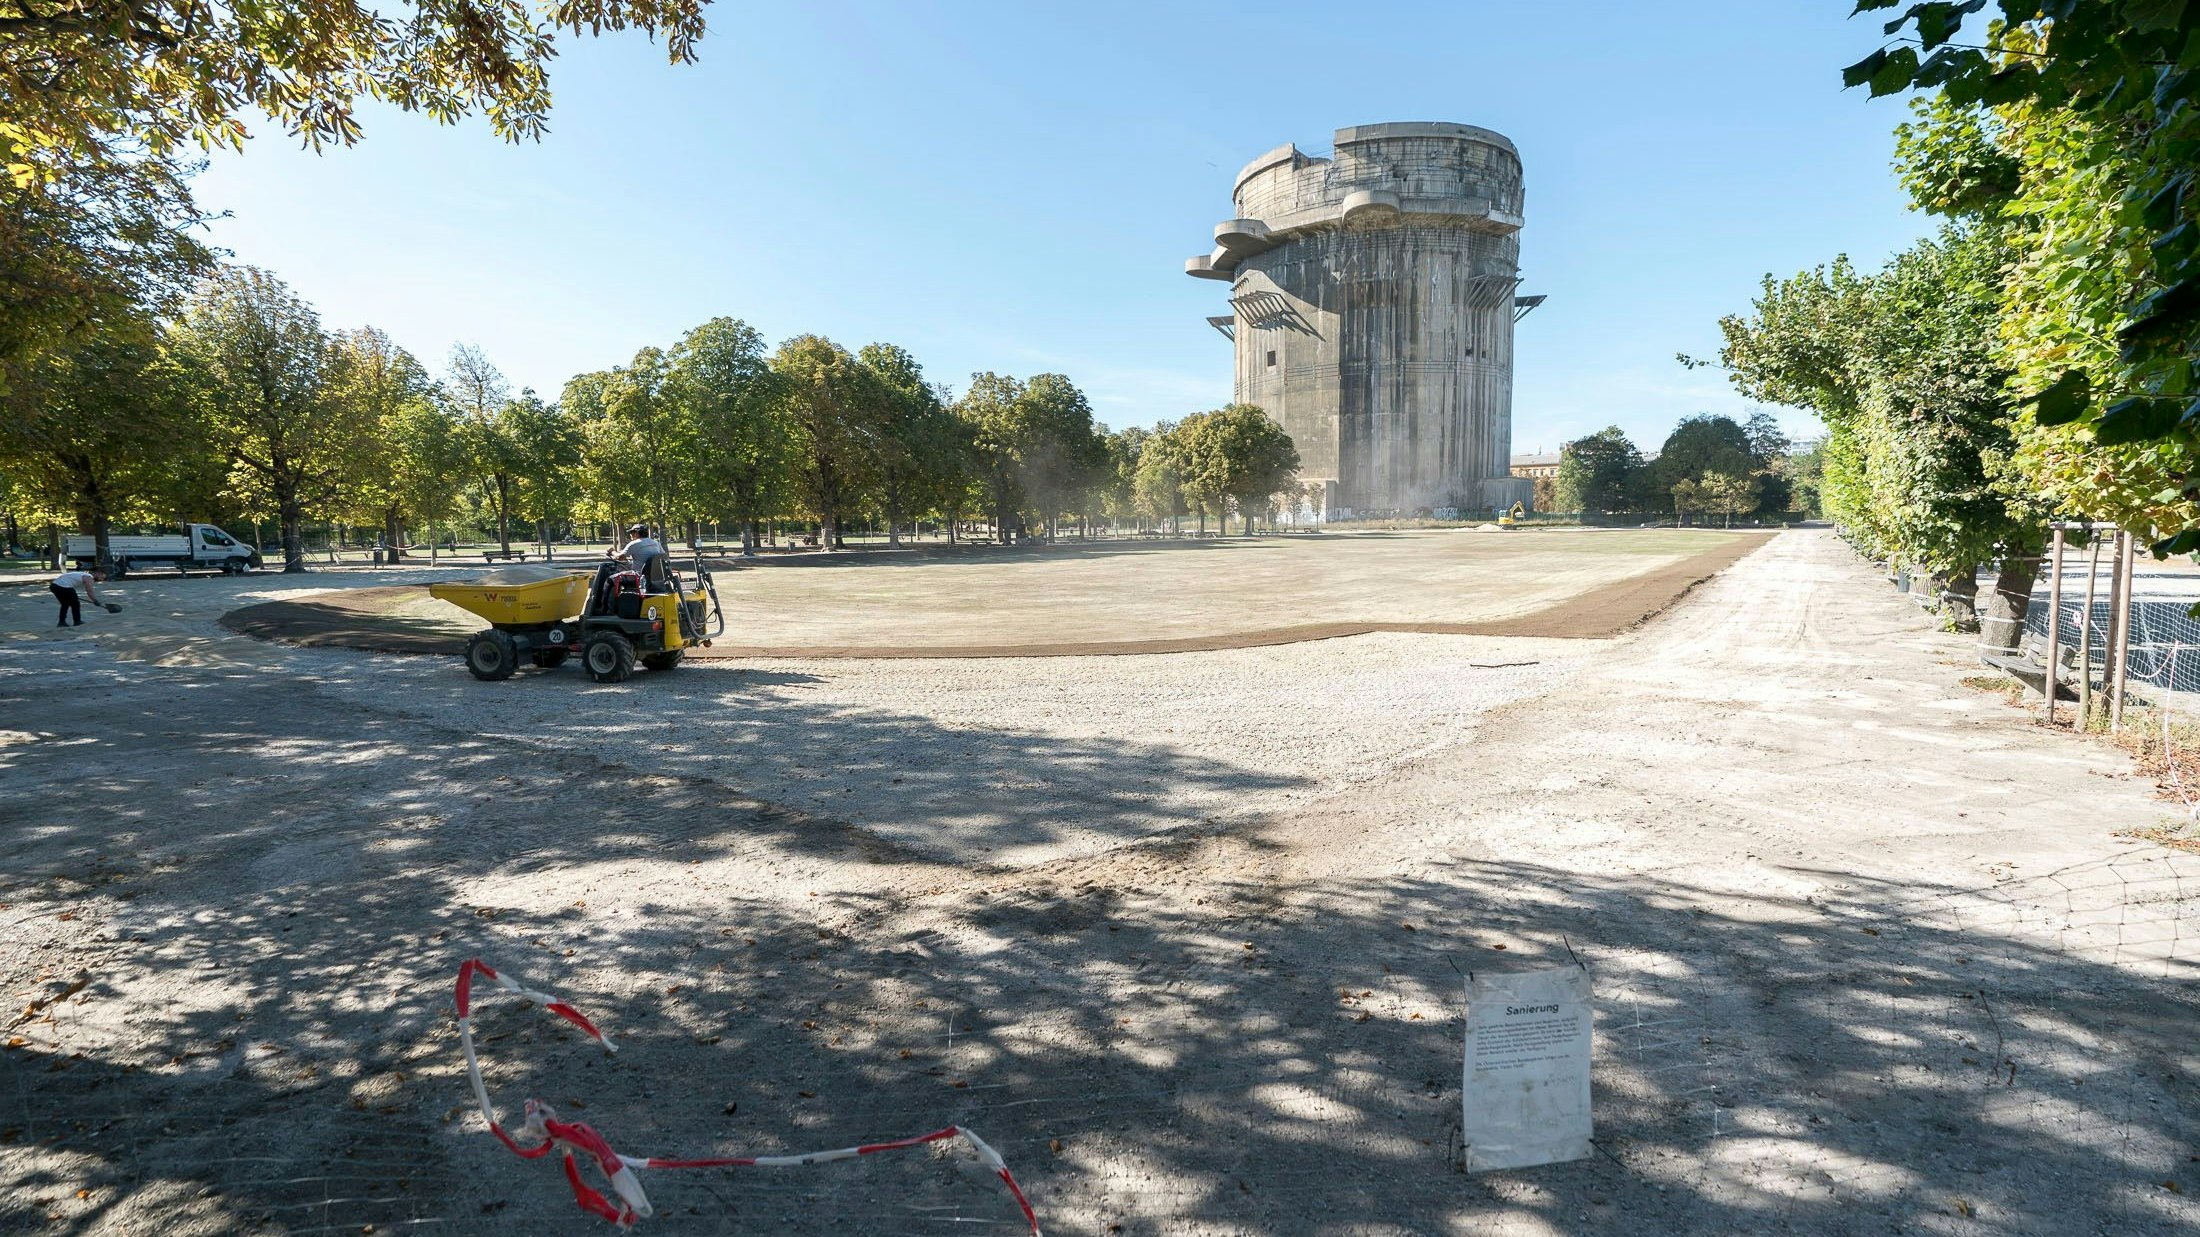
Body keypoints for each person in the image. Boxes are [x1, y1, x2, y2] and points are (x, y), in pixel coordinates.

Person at [611, 524, 668, 590]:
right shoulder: (655, 543)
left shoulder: (634, 544)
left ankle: (608, 600)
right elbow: (664, 556)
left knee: (611, 579)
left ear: (636, 533)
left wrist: (612, 551)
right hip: (656, 577)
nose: (630, 534)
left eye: (631, 532)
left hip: (639, 576)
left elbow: (619, 557)